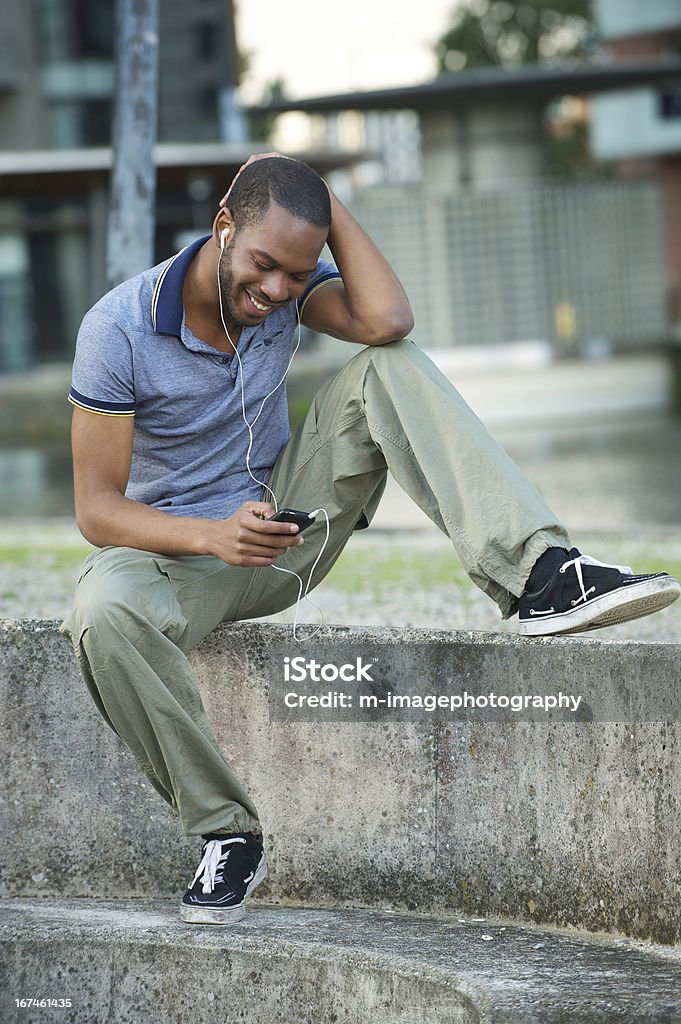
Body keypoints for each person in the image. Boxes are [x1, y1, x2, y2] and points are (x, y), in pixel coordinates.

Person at [60, 154, 680, 926]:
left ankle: (543, 575)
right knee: (101, 610)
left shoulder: (284, 291)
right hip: (181, 558)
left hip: (289, 531)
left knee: (386, 364)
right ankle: (228, 833)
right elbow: (96, 510)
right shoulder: (116, 329)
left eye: (296, 272)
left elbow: (387, 321)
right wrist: (209, 535)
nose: (278, 292)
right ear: (222, 227)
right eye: (263, 265)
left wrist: (320, 196)